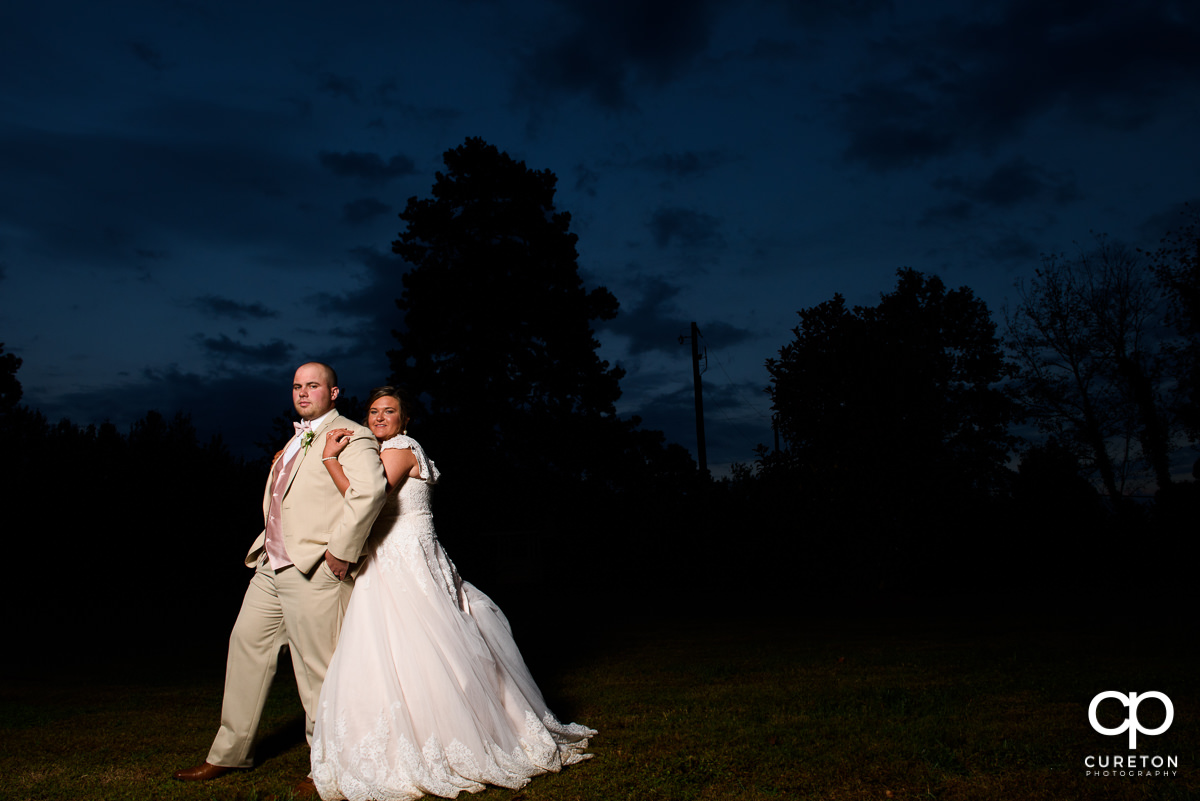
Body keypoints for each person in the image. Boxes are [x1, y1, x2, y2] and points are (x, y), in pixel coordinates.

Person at [310, 386, 595, 801]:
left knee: (420, 645)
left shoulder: (402, 447)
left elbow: (367, 496)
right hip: (402, 556)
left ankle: (444, 736)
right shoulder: (393, 448)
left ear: (405, 419)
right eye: (373, 412)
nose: (379, 418)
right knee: (404, 647)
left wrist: (330, 459)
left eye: (389, 411)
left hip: (402, 560)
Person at [174, 363, 388, 793]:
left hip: (314, 567)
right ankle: (230, 754)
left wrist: (339, 553)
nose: (303, 392)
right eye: (297, 386)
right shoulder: (295, 440)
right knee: (245, 645)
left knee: (317, 671)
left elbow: (370, 491)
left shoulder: (353, 433)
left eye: (313, 386)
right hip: (271, 566)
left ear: (334, 393)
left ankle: (327, 767)